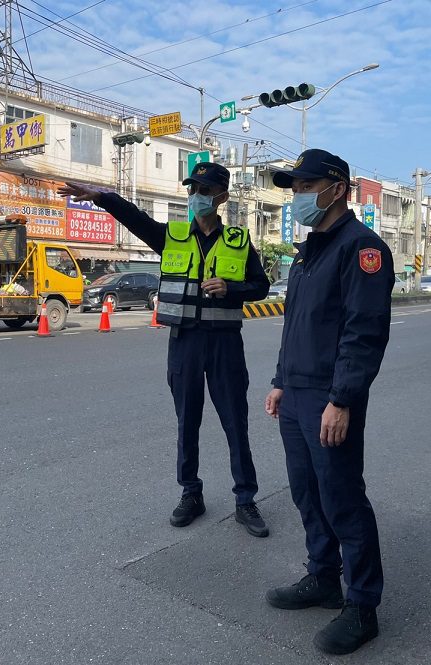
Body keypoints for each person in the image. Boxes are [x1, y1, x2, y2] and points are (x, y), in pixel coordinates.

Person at [59, 162, 271, 537]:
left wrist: (231, 289)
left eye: (204, 191)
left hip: (224, 344)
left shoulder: (238, 241)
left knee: (234, 423)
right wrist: (104, 198)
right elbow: (134, 218)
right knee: (187, 421)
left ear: (221, 197)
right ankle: (191, 493)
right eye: (192, 189)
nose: (196, 197)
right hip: (185, 342)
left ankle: (245, 500)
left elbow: (261, 286)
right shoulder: (171, 235)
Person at [263, 149, 394, 655]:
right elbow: (297, 324)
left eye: (305, 186)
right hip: (295, 392)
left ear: (337, 188)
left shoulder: (362, 248)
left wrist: (341, 400)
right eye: (294, 187)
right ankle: (322, 577)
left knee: (342, 497)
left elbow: (363, 334)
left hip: (329, 396)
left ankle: (362, 606)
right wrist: (279, 380)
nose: (297, 196)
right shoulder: (308, 250)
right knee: (306, 492)